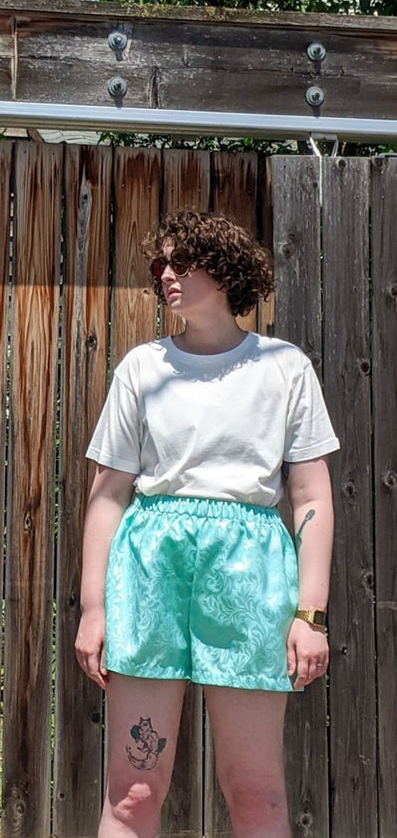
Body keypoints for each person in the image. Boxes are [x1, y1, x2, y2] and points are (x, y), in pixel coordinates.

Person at [75, 211, 339, 838]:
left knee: (256, 794)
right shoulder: (142, 368)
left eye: (180, 261)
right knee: (135, 792)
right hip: (149, 578)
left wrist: (310, 615)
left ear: (222, 268)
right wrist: (94, 607)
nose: (165, 275)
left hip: (250, 582)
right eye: (159, 265)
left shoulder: (284, 367)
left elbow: (311, 497)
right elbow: (108, 494)